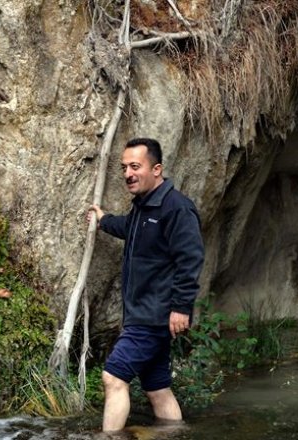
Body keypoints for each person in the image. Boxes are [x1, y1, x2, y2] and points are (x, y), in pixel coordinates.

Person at [88, 138, 205, 432]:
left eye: (135, 166)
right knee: (157, 388)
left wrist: (181, 307)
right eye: (124, 167)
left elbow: (190, 259)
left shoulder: (176, 208)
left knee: (114, 377)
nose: (128, 173)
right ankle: (174, 435)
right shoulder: (143, 207)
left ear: (156, 169)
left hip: (152, 317)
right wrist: (103, 219)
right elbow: (128, 228)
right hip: (146, 315)